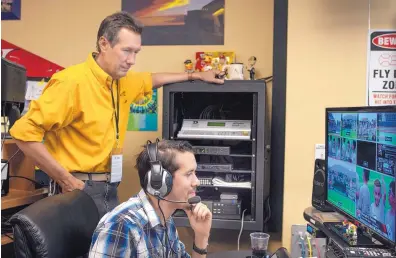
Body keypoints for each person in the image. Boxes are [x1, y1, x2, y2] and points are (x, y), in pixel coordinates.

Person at [8, 11, 224, 218]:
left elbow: (152, 79)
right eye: (126, 50)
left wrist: (196, 74)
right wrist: (65, 179)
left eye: (136, 52)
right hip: (77, 188)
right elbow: (22, 133)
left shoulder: (123, 80)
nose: (132, 60)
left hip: (109, 188)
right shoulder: (70, 82)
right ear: (104, 44)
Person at [88, 139, 212, 258]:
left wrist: (201, 237)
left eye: (195, 173)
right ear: (160, 182)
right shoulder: (121, 226)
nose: (196, 182)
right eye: (189, 174)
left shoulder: (166, 220)